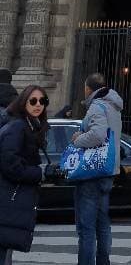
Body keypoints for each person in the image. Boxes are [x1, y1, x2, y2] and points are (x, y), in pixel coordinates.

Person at [0, 85, 58, 265]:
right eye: (33, 101)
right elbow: (11, 166)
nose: (38, 104)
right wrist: (39, 172)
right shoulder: (17, 127)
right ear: (23, 102)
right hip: (7, 199)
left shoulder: (31, 127)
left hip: (11, 199)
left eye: (43, 101)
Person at [71, 72, 123, 265]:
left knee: (86, 229)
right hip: (107, 171)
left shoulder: (96, 106)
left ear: (88, 88)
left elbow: (98, 135)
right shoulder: (113, 106)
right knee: (103, 224)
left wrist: (78, 140)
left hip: (91, 173)